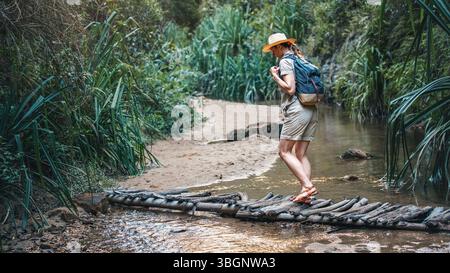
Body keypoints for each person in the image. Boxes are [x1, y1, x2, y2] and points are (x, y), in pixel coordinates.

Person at [262, 33, 319, 203]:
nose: (272, 52)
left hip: (297, 110)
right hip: (310, 108)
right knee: (300, 153)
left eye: (273, 49)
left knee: (284, 151)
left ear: (280, 47)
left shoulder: (285, 61)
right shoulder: (300, 59)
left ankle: (308, 186)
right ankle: (306, 194)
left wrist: (275, 76)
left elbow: (290, 88)